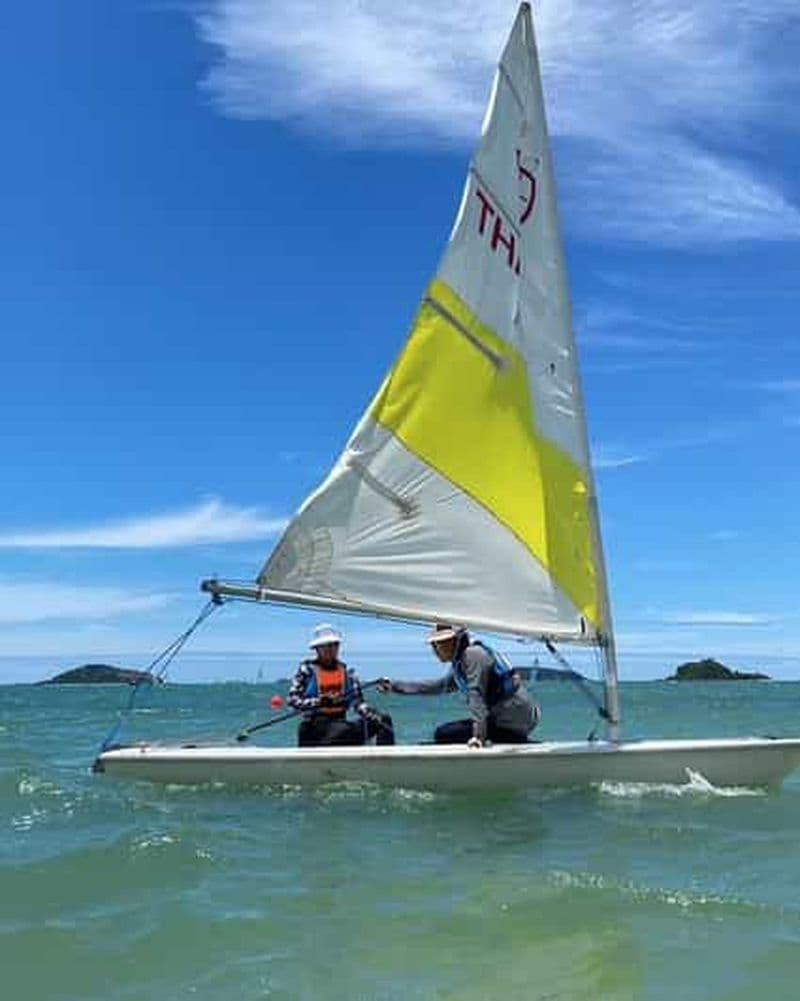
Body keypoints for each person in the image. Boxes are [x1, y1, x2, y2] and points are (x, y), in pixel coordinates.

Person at [379, 623, 539, 747]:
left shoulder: (473, 655)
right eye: (433, 645)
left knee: (444, 734)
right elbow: (435, 687)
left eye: (440, 643)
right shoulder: (461, 661)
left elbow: (476, 695)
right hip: (506, 721)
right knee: (444, 734)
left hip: (513, 723)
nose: (435, 649)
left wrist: (478, 737)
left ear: (456, 639)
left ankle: (513, 740)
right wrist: (394, 686)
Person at [288, 624, 394, 747]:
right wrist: (319, 702)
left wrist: (370, 713)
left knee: (383, 720)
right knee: (342, 730)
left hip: (339, 725)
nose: (332, 649)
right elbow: (292, 701)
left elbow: (357, 703)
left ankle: (386, 762)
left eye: (335, 645)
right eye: (327, 646)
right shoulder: (306, 670)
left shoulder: (346, 672)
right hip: (316, 729)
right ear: (317, 649)